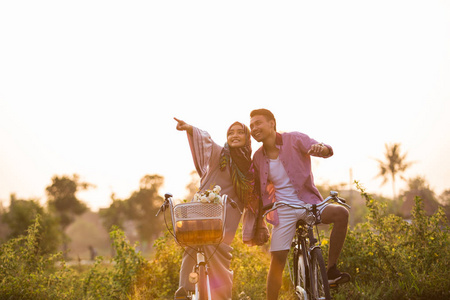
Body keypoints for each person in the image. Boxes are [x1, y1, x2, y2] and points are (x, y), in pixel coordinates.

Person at [249, 109, 350, 300]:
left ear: (272, 123)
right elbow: (257, 193)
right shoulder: (258, 157)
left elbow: (321, 147)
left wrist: (323, 148)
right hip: (282, 210)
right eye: (252, 125)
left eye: (258, 123)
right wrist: (260, 222)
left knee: (341, 213)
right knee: (277, 263)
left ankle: (331, 271)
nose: (254, 128)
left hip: (308, 204)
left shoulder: (294, 139)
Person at [173, 117, 264, 300]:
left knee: (219, 249)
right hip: (202, 207)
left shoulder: (251, 167)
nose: (235, 135)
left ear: (247, 138)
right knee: (191, 244)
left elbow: (256, 196)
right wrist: (190, 129)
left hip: (229, 211)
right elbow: (206, 142)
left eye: (240, 132)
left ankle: (221, 296)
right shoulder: (220, 154)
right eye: (231, 132)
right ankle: (185, 290)